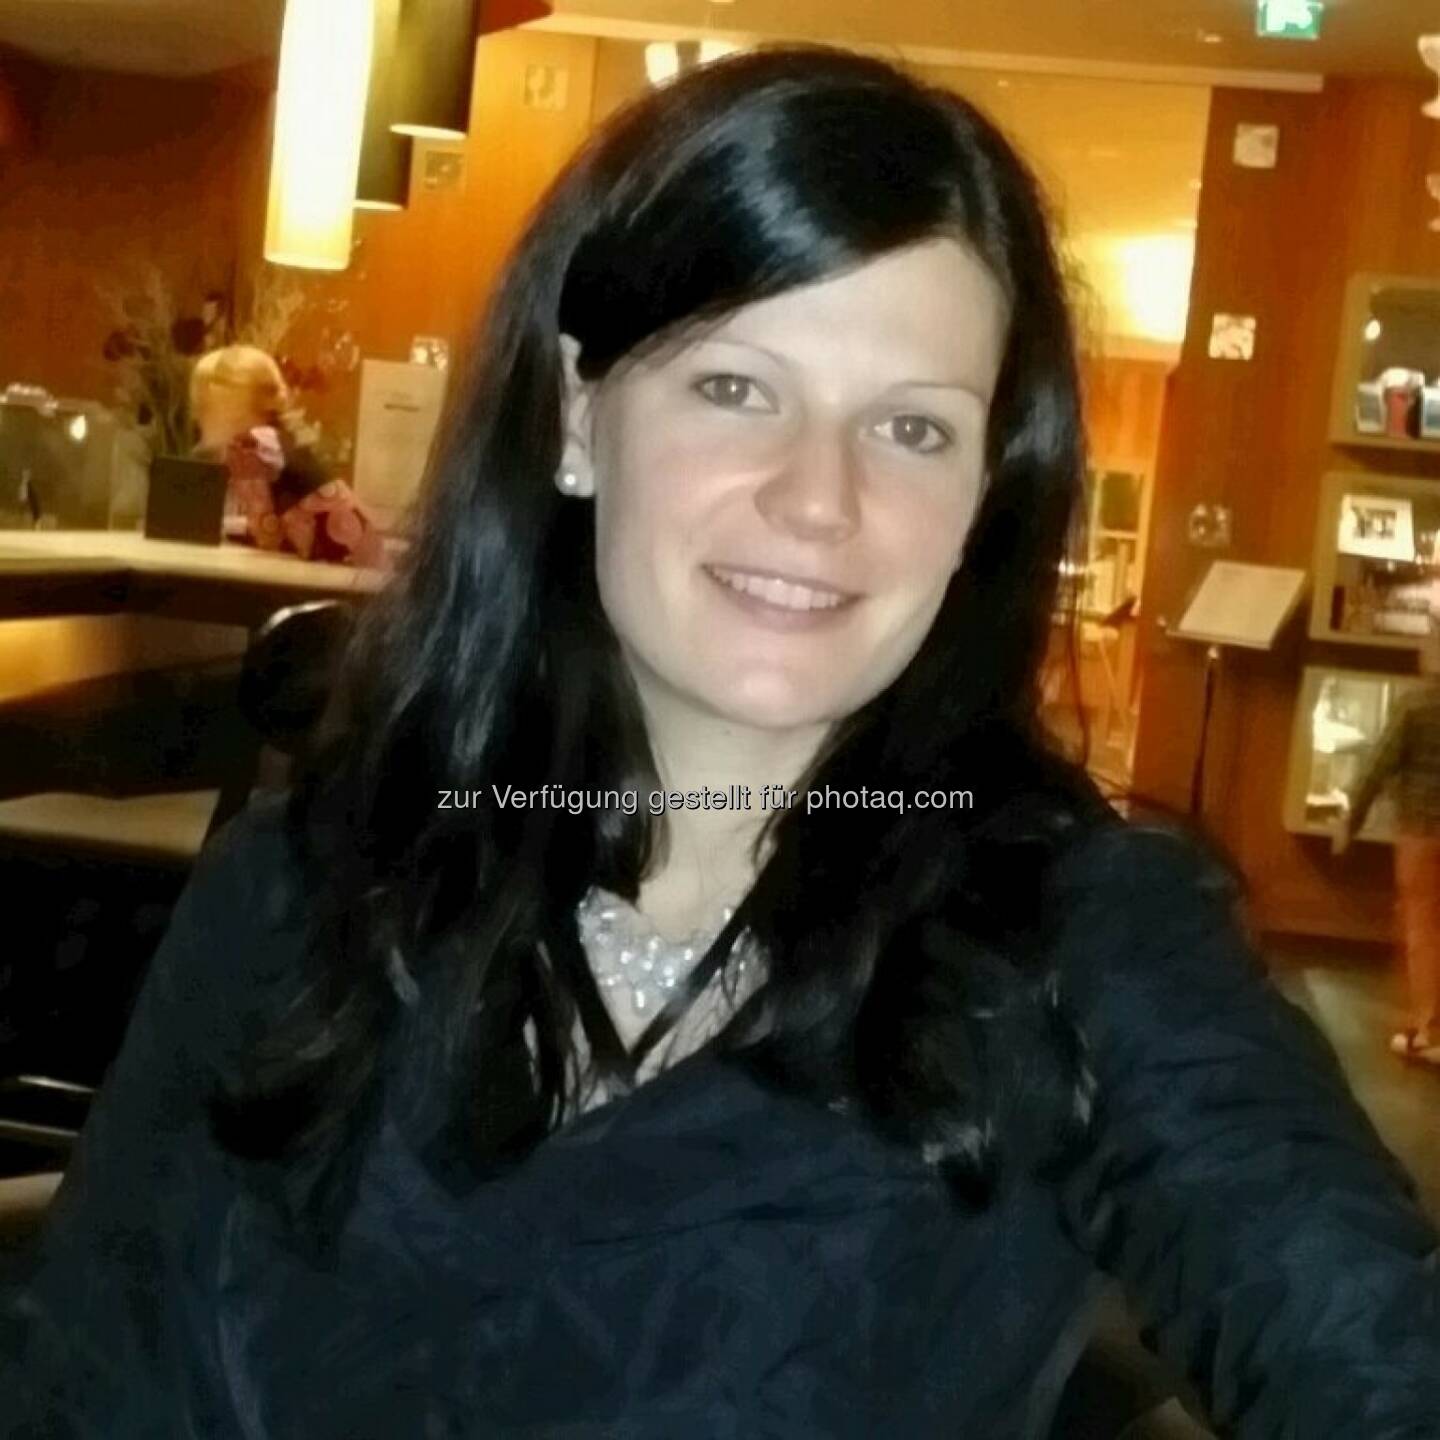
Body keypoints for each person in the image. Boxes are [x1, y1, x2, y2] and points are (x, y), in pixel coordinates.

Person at [4, 46, 1439, 1439]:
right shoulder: (301, 888)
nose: (820, 499)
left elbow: (1364, 1345)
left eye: (914, 429)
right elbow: (82, 1376)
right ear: (580, 418)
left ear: (985, 500)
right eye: (737, 388)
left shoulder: (1080, 944)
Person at [1333, 608, 1440, 1069]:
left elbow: (1377, 765)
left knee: (1423, 927)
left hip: (1422, 828)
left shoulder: (1415, 706)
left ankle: (1429, 1031)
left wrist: (1349, 823)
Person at [190, 344, 386, 569]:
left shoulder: (253, 447)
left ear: (229, 405)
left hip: (342, 578)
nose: (197, 415)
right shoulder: (274, 442)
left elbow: (265, 534)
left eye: (203, 405)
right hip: (355, 573)